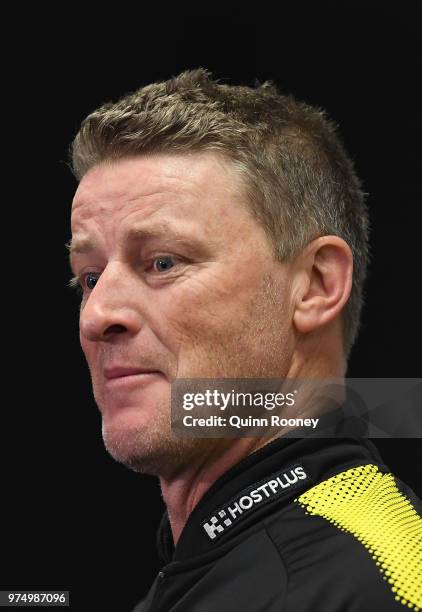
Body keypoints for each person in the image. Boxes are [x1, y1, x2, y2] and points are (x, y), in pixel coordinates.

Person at [67, 68, 421, 611]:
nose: (97, 315)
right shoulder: (218, 568)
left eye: (162, 262)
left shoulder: (383, 582)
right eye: (90, 278)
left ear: (317, 285)